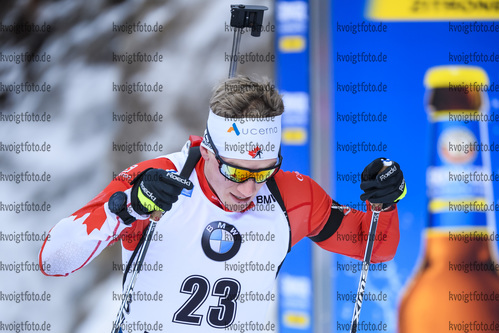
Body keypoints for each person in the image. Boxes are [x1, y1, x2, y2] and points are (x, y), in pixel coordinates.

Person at [39, 75, 406, 333]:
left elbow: (376, 245)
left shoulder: (290, 195)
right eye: (237, 173)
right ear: (208, 152)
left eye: (262, 173)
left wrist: (386, 200)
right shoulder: (158, 181)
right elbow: (54, 259)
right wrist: (129, 207)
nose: (249, 190)